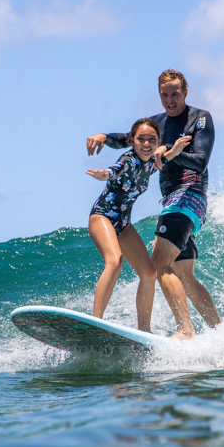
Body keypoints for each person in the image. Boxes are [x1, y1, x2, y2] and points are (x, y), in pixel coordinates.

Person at [86, 69, 221, 339]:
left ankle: (185, 329)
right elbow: (127, 140)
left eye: (175, 93)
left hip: (188, 196)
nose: (170, 99)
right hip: (171, 203)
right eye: (164, 94)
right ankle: (221, 332)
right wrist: (103, 136)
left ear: (185, 92)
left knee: (158, 265)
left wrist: (169, 152)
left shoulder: (200, 118)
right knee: (183, 272)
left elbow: (201, 160)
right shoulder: (156, 125)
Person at [86, 118, 191, 332]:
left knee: (150, 273)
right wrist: (103, 175)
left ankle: (144, 332)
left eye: (151, 139)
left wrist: (176, 150)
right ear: (132, 141)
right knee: (114, 262)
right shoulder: (128, 159)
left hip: (123, 223)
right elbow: (114, 170)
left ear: (157, 142)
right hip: (103, 216)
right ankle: (95, 322)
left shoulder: (150, 162)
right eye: (140, 139)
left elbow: (163, 160)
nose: (146, 143)